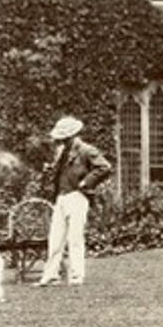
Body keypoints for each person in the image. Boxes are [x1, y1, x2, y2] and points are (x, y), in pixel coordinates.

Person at [37, 115, 112, 287]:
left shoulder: (86, 150)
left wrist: (86, 182)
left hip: (77, 196)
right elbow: (62, 172)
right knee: (55, 238)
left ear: (71, 136)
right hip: (61, 198)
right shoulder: (62, 152)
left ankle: (77, 276)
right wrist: (51, 170)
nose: (59, 141)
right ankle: (50, 275)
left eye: (62, 137)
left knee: (75, 238)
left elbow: (104, 167)